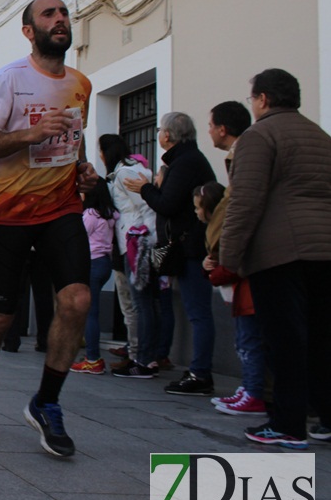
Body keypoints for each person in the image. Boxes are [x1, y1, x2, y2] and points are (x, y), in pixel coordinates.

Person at [0, 0, 98, 459]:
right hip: (9, 214)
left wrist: (84, 169)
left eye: (64, 14)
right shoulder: (11, 80)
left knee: (77, 298)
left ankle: (47, 401)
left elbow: (73, 143)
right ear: (28, 31)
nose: (60, 20)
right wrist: (28, 134)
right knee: (0, 315)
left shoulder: (81, 84)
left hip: (62, 209)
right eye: (48, 14)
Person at [221, 69, 331, 449]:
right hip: (324, 251)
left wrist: (228, 259)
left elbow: (245, 202)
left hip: (280, 252)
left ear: (263, 99)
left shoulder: (260, 135)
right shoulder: (320, 136)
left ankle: (288, 423)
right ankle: (326, 418)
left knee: (285, 341)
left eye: (253, 99)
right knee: (320, 339)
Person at [124, 112, 216, 395]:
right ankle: (193, 369)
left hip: (189, 248)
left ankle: (200, 373)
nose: (158, 134)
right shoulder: (184, 161)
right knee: (188, 309)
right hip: (182, 246)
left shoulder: (186, 163)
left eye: (161, 129)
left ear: (170, 135)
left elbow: (167, 204)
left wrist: (146, 189)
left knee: (197, 312)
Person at [196, 182, 266, 417]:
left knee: (249, 344)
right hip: (240, 298)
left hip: (247, 297)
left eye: (198, 208)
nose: (196, 212)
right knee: (245, 344)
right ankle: (248, 388)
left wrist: (213, 272)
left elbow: (231, 264)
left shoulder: (230, 228)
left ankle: (254, 392)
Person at [98, 134, 155, 371]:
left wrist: (143, 238)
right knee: (140, 303)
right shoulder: (122, 172)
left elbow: (145, 206)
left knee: (141, 303)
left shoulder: (125, 173)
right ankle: (140, 355)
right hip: (132, 242)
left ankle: (143, 359)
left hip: (136, 244)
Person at [70, 182, 118, 374]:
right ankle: (92, 355)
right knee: (92, 311)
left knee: (90, 313)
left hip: (92, 262)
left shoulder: (90, 214)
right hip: (105, 263)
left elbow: (79, 237)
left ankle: (92, 358)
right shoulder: (111, 214)